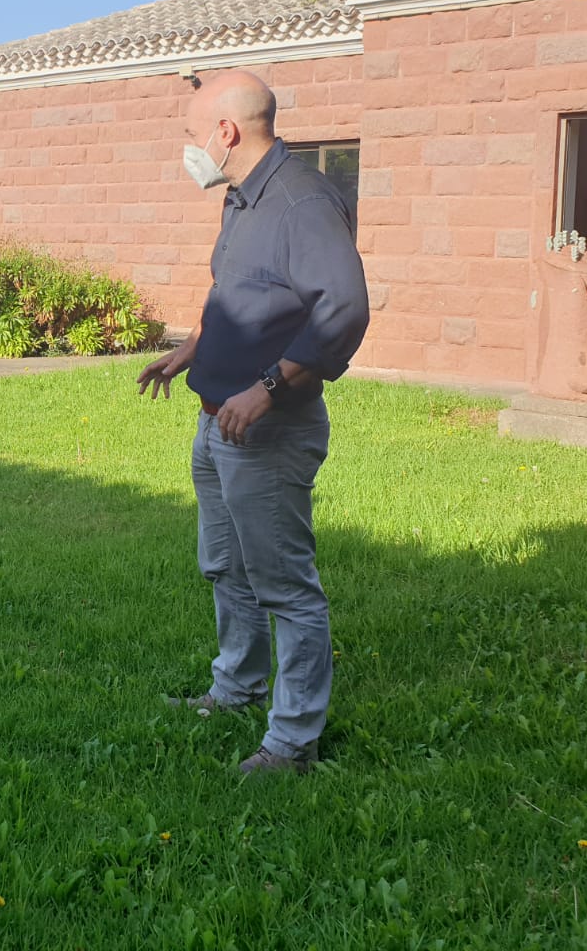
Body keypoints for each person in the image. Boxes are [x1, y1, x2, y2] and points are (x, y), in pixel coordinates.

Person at [137, 70, 369, 775]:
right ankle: (237, 687)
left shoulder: (302, 201)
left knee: (285, 586)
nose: (189, 149)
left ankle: (293, 740)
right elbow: (233, 295)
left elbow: (345, 310)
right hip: (216, 421)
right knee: (226, 566)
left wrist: (265, 389)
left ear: (226, 132)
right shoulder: (243, 198)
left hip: (265, 429)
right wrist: (189, 351)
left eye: (190, 134)